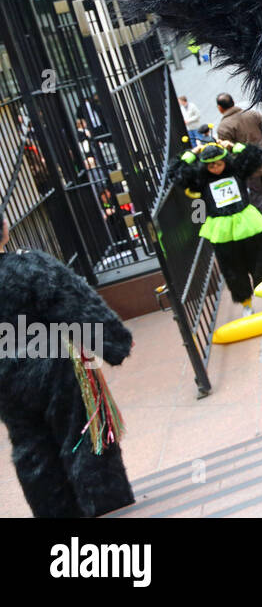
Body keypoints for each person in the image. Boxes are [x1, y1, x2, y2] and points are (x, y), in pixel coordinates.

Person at [0, 215, 135, 517]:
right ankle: (106, 508)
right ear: (5, 229)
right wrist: (113, 342)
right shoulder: (29, 264)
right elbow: (74, 304)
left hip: (5, 381)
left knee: (30, 448)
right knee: (83, 437)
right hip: (53, 367)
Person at [167, 140, 262, 313]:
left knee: (259, 261)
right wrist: (192, 153)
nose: (215, 168)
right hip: (221, 229)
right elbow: (176, 173)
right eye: (210, 166)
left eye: (218, 164)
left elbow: (257, 156)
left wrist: (233, 145)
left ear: (225, 160)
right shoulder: (200, 179)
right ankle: (246, 305)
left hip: (246, 223)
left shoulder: (237, 170)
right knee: (232, 268)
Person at [215, 92, 262, 237]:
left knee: (258, 197)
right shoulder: (253, 114)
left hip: (249, 167)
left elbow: (227, 153)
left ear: (220, 108)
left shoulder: (224, 127)